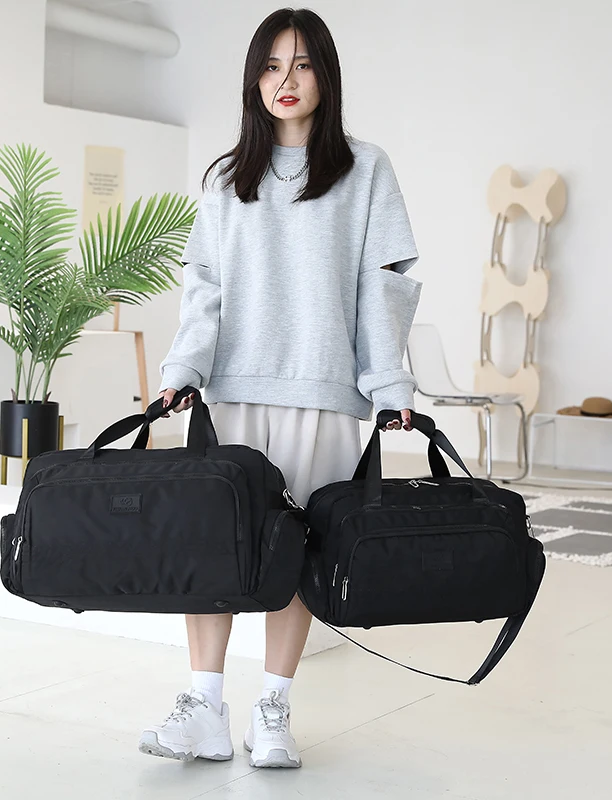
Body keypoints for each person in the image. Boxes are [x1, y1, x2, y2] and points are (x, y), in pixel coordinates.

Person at [138, 7, 421, 769]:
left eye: (301, 64)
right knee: (213, 548)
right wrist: (182, 371)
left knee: (295, 554)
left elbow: (381, 288)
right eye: (270, 65)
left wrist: (389, 383)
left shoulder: (366, 169)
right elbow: (204, 287)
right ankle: (203, 707)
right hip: (231, 390)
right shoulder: (227, 177)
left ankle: (274, 710)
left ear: (326, 74)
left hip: (323, 391)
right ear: (252, 79)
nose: (284, 81)